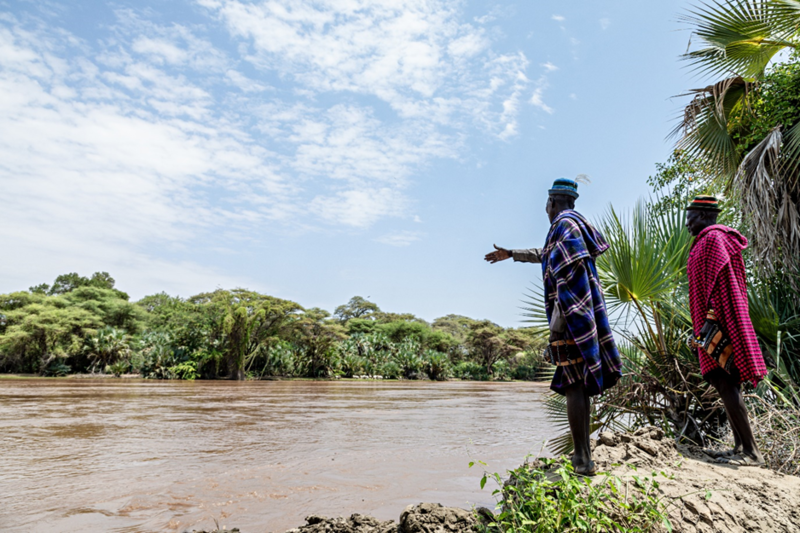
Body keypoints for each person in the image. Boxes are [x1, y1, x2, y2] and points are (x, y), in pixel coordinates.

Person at [484, 178, 622, 475]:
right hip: (581, 315)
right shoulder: (573, 225)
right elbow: (548, 255)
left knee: (573, 385)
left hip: (572, 317)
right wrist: (512, 254)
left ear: (553, 203)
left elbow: (566, 275)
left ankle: (583, 460)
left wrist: (562, 322)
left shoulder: (563, 225)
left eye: (546, 204)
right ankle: (582, 456)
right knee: (579, 385)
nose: (545, 209)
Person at [685, 195, 767, 466]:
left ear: (705, 216)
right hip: (712, 323)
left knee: (728, 382)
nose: (687, 223)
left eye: (691, 217)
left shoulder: (714, 239)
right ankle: (739, 447)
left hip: (721, 323)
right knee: (724, 382)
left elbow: (721, 286)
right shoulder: (705, 242)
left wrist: (710, 322)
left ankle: (751, 452)